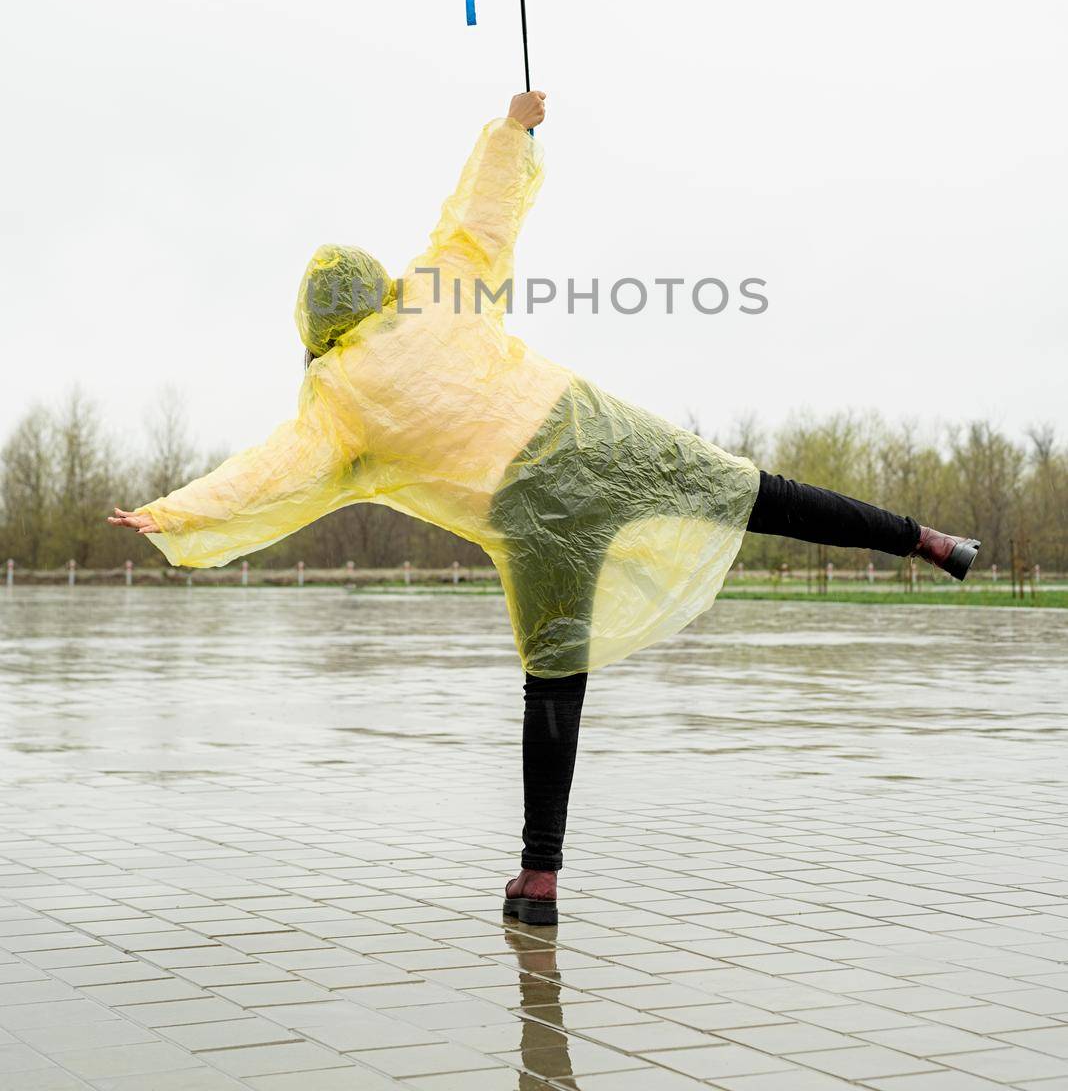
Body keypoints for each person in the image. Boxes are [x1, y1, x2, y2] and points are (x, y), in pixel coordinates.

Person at [111, 90, 980, 927]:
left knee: (554, 681)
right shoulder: (431, 292)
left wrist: (175, 513)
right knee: (756, 495)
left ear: (312, 324)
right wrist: (513, 128)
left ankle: (540, 877)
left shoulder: (333, 402)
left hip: (533, 520)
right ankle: (926, 541)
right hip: (597, 436)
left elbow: (270, 474)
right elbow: (479, 218)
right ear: (374, 286)